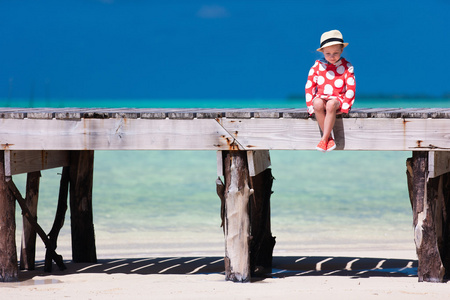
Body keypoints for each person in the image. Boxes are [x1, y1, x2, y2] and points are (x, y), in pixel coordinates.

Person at [305, 29, 355, 152]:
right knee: (317, 103)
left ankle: (323, 139)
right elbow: (309, 86)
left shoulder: (347, 67)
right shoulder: (317, 66)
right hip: (321, 96)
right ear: (322, 52)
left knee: (331, 104)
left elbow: (351, 88)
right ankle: (329, 138)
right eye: (328, 53)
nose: (332, 57)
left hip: (338, 99)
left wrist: (345, 106)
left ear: (342, 51)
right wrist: (310, 106)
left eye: (335, 53)